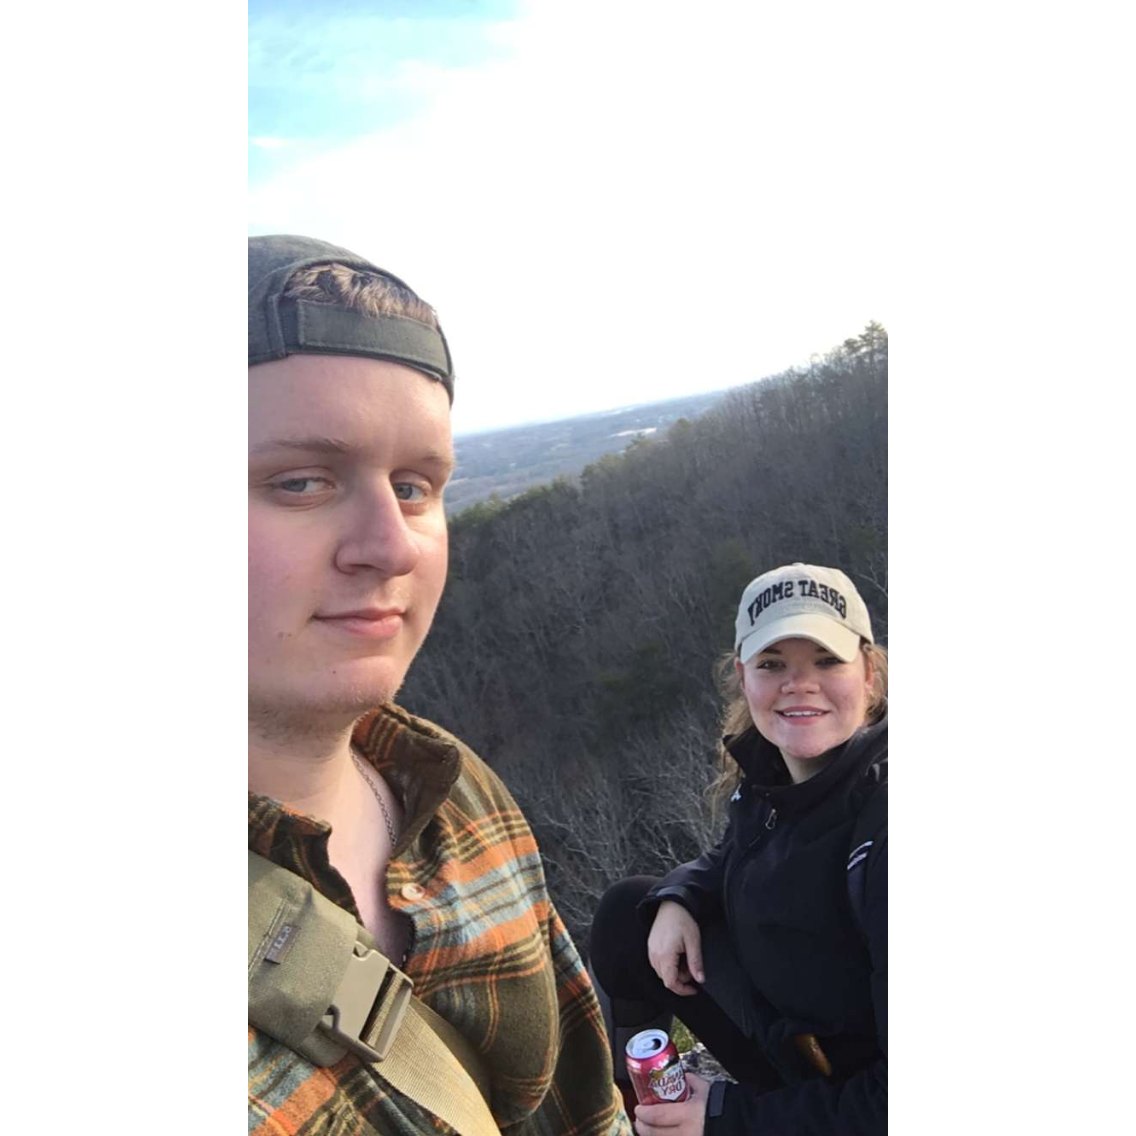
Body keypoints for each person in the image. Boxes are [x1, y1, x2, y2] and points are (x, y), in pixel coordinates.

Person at [247, 234, 631, 1135]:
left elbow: (587, 1105)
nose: (391, 545)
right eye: (300, 482)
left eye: (416, 486)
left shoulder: (452, 792)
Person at [589, 563, 887, 1136]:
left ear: (869, 673)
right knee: (633, 912)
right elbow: (740, 853)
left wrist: (727, 1117)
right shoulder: (775, 774)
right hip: (793, 1038)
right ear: (742, 676)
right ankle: (635, 1107)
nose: (798, 684)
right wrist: (682, 895)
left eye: (826, 661)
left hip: (854, 1102)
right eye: (773, 665)